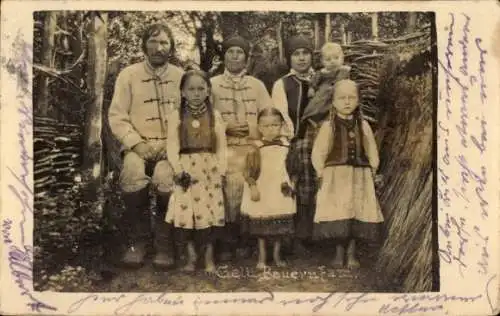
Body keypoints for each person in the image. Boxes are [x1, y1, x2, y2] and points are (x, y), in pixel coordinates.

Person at [108, 23, 183, 269]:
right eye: (153, 42)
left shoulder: (180, 77)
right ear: (144, 45)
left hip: (170, 148)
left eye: (164, 43)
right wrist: (136, 143)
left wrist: (172, 144)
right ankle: (137, 242)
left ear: (171, 47)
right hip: (137, 145)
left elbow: (188, 115)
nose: (158, 47)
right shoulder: (128, 75)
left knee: (165, 176)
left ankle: (164, 243)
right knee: (131, 172)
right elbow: (117, 116)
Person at [211, 35, 274, 261]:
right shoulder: (213, 84)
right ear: (224, 56)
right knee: (231, 181)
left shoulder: (257, 86)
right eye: (230, 52)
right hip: (223, 146)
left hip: (252, 144)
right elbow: (207, 117)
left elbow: (269, 117)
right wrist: (225, 127)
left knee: (261, 175)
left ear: (246, 58)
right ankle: (228, 239)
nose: (235, 56)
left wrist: (252, 128)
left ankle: (253, 236)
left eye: (240, 52)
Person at [311, 79, 384, 268]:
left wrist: (373, 169)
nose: (347, 102)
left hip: (359, 177)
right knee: (340, 212)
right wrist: (320, 172)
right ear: (333, 102)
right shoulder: (329, 126)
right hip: (336, 177)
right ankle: (338, 253)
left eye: (352, 98)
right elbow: (319, 151)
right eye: (342, 98)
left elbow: (371, 148)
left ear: (358, 101)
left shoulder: (363, 125)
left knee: (355, 211)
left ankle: (352, 254)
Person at [165, 70, 227, 273]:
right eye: (191, 89)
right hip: (186, 170)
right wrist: (178, 170)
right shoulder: (176, 115)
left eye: (201, 88)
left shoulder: (215, 115)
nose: (196, 93)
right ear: (182, 92)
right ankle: (191, 258)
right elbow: (172, 147)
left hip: (209, 169)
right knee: (186, 213)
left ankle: (209, 259)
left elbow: (222, 147)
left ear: (208, 91)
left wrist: (221, 170)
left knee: (207, 214)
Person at [271, 36, 316, 255]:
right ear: (289, 58)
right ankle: (295, 237)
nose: (301, 58)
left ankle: (317, 234)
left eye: (305, 53)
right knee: (295, 185)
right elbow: (280, 115)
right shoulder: (282, 84)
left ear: (311, 56)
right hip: (294, 140)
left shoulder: (322, 79)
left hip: (321, 139)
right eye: (296, 54)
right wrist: (290, 139)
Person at [240, 108, 296, 269]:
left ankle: (277, 255)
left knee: (278, 224)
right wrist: (253, 187)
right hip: (262, 188)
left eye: (275, 125)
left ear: (281, 126)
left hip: (280, 188)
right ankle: (262, 257)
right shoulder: (256, 148)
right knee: (261, 223)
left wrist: (292, 185)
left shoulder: (286, 146)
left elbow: (293, 168)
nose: (270, 129)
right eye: (266, 126)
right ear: (259, 127)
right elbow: (249, 170)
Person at [301, 42, 351, 130]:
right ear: (322, 61)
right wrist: (311, 88)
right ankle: (312, 118)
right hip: (323, 92)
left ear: (342, 58)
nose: (332, 61)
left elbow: (346, 82)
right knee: (316, 104)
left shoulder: (344, 70)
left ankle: (330, 121)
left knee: (334, 108)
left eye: (336, 58)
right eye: (328, 59)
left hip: (338, 92)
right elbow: (314, 80)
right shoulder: (322, 72)